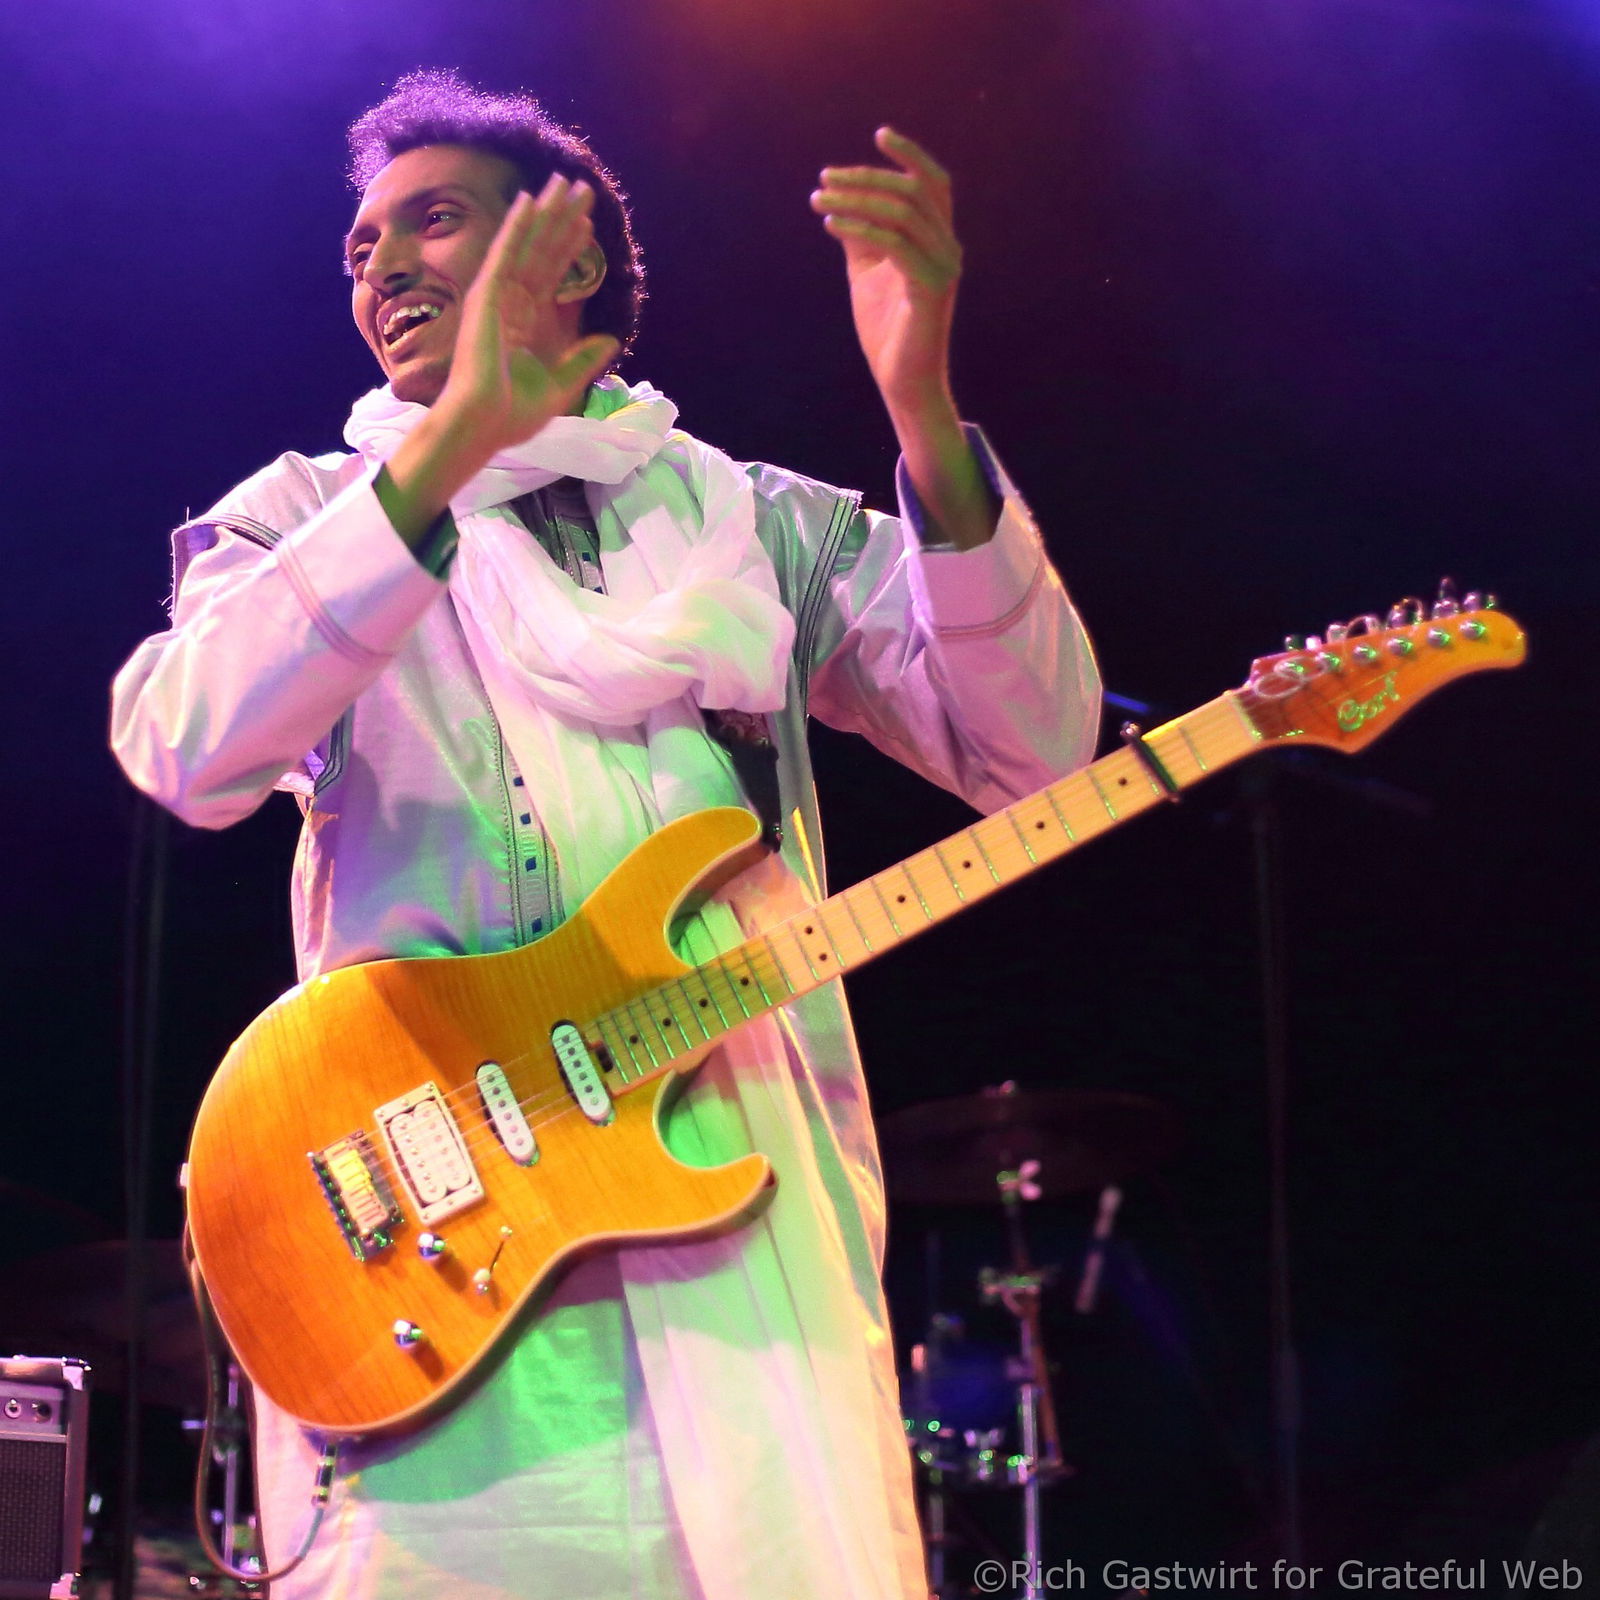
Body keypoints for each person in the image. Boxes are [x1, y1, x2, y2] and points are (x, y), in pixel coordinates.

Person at [111, 69, 1101, 1600]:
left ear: (566, 257)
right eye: (362, 248)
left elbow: (1034, 748)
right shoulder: (307, 513)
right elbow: (185, 743)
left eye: (431, 222)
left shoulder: (750, 523)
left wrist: (921, 404)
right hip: (444, 1263)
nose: (381, 267)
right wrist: (445, 452)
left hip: (745, 1251)